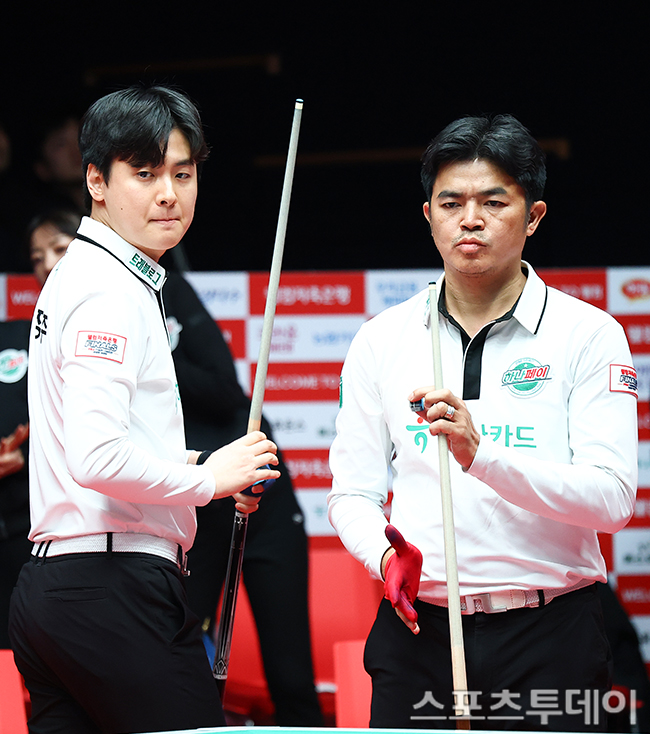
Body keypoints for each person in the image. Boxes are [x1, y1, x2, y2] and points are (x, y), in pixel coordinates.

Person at [328, 114, 638, 731]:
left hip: (550, 634)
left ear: (534, 216)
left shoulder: (589, 334)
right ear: (429, 216)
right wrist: (383, 558)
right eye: (452, 203)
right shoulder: (381, 339)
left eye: (494, 202)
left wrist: (482, 457)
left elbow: (612, 500)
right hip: (418, 633)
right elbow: (351, 495)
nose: (470, 219)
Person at [8, 84, 280, 734]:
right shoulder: (107, 288)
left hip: (62, 590)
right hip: (109, 590)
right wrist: (207, 481)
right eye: (146, 173)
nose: (168, 194)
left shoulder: (88, 275)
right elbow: (97, 458)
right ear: (96, 180)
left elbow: (105, 443)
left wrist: (205, 470)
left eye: (182, 174)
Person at [161, 266, 323, 726]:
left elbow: (223, 388)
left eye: (58, 247)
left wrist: (156, 361)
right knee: (185, 662)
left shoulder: (166, 289)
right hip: (195, 508)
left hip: (259, 499)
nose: (48, 263)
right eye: (38, 256)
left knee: (290, 675)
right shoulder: (88, 326)